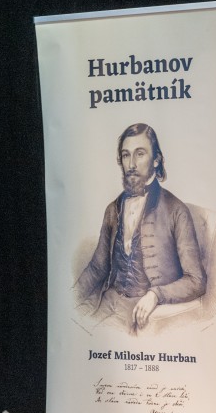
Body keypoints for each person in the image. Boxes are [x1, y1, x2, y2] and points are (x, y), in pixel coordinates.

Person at [75, 123, 206, 333]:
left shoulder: (176, 210)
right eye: (126, 155)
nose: (132, 164)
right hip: (107, 302)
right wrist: (70, 299)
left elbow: (196, 281)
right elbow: (98, 268)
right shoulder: (113, 209)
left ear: (156, 160)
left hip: (143, 314)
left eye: (140, 154)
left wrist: (156, 295)